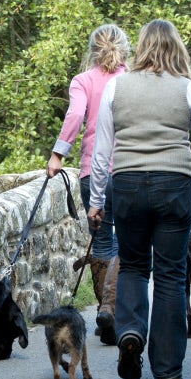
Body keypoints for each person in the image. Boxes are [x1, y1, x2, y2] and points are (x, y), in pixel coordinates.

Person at [89, 20, 191, 379]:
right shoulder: (188, 90)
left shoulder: (116, 86)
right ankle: (167, 368)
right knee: (171, 275)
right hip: (174, 185)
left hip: (126, 185)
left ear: (141, 47)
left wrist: (96, 201)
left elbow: (101, 154)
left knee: (132, 266)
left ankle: (130, 332)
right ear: (177, 48)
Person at [47, 23, 130, 345]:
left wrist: (57, 155)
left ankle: (104, 312)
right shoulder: (133, 79)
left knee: (104, 244)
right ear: (125, 47)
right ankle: (117, 311)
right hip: (129, 170)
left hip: (92, 172)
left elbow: (75, 115)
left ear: (91, 50)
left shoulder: (83, 81)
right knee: (128, 244)